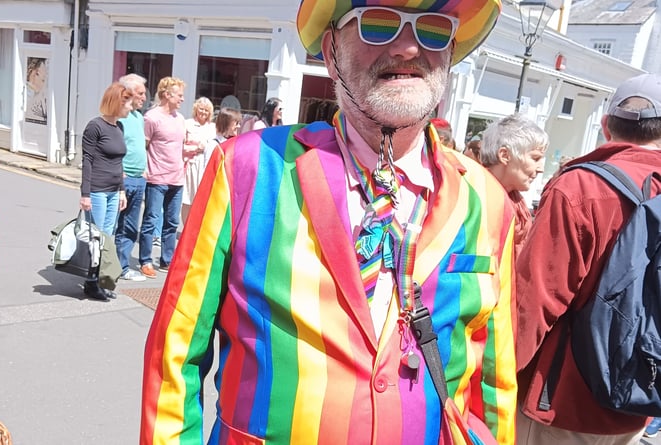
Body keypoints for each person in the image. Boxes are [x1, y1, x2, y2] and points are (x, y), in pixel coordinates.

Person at [141, 1, 516, 444]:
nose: (409, 48)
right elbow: (176, 352)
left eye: (433, 30)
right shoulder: (246, 168)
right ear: (332, 51)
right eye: (380, 24)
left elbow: (494, 387)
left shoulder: (486, 199)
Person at [516, 73, 661, 444]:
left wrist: (490, 382)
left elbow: (532, 304)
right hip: (640, 397)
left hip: (564, 402)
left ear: (605, 125)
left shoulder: (581, 187)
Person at [80, 82, 132, 300]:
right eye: (127, 103)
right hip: (98, 191)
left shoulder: (119, 127)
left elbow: (119, 163)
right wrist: (85, 194)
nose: (131, 107)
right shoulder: (95, 126)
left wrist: (121, 191)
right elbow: (87, 160)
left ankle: (100, 279)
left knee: (107, 238)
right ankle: (91, 282)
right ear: (116, 102)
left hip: (113, 191)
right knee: (97, 237)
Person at [138, 76, 186, 279]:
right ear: (167, 95)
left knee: (172, 221)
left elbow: (180, 147)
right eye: (179, 95)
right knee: (151, 219)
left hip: (177, 178)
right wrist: (143, 170)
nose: (182, 99)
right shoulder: (151, 117)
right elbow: (143, 146)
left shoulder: (180, 119)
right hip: (156, 178)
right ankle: (146, 260)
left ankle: (167, 260)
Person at [479, 114, 548, 254]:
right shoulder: (476, 196)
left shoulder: (516, 202)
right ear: (504, 155)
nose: (541, 169)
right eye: (535, 158)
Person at [115, 73, 148, 282]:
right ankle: (106, 267)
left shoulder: (138, 117)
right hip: (124, 179)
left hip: (138, 178)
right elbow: (114, 149)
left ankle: (122, 267)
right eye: (140, 93)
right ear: (128, 93)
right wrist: (121, 174)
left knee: (129, 227)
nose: (144, 97)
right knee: (114, 225)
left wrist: (143, 172)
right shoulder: (120, 117)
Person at [182, 97, 217, 224]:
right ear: (196, 109)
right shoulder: (187, 123)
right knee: (188, 198)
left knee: (203, 199)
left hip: (206, 165)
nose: (203, 112)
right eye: (201, 109)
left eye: (206, 110)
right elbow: (180, 146)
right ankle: (186, 227)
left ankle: (198, 228)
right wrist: (196, 148)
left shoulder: (213, 127)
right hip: (191, 165)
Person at [25, 57, 48, 123]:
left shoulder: (40, 97)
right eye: (43, 79)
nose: (42, 83)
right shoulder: (27, 93)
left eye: (44, 80)